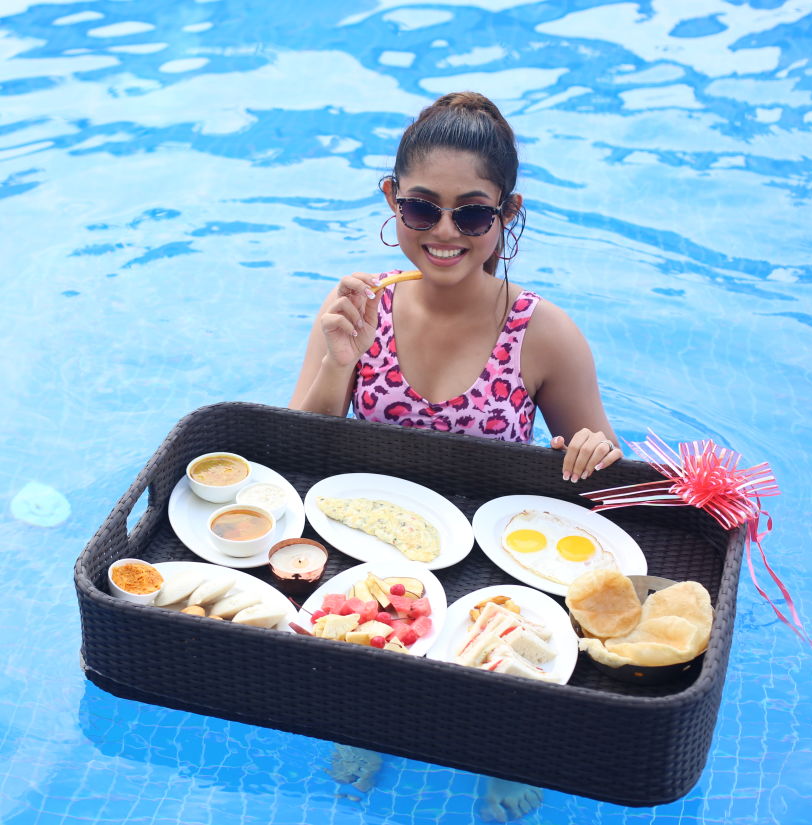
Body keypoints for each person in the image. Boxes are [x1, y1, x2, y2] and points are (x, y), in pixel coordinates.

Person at [290, 91, 622, 821]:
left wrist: (593, 449)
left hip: (493, 549)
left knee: (507, 655)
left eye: (471, 213)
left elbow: (599, 466)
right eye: (420, 209)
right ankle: (369, 715)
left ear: (506, 214)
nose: (444, 233)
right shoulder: (356, 306)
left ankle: (502, 746)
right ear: (390, 200)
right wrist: (333, 361)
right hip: (372, 537)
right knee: (357, 627)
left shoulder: (542, 331)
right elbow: (301, 450)